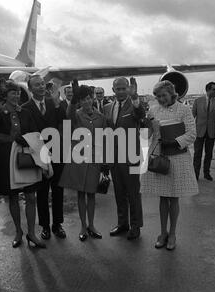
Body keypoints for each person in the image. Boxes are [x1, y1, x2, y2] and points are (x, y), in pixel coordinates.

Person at [141, 80, 198, 250]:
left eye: (163, 95)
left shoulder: (184, 109)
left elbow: (192, 134)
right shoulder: (153, 110)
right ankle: (162, 232)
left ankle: (172, 233)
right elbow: (147, 135)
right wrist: (145, 126)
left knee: (173, 197)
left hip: (178, 157)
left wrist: (174, 142)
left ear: (172, 93)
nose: (160, 99)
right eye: (158, 96)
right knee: (162, 196)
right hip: (160, 157)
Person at [0, 80, 46, 248]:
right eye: (12, 93)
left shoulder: (25, 112)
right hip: (6, 157)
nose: (16, 96)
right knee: (12, 196)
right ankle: (18, 231)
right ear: (5, 95)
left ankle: (31, 232)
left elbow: (35, 133)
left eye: (18, 93)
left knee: (31, 196)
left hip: (25, 156)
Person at [59, 82, 107, 241]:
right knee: (81, 194)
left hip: (94, 160)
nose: (86, 102)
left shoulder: (101, 117)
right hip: (78, 159)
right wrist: (73, 100)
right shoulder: (76, 114)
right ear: (79, 101)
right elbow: (68, 114)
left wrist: (104, 163)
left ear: (92, 98)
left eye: (88, 98)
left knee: (92, 194)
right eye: (82, 99)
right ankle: (82, 226)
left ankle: (92, 224)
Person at [21, 75, 67, 240]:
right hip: (38, 155)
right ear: (30, 88)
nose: (41, 87)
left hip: (56, 153)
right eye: (37, 85)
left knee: (57, 190)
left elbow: (64, 120)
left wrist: (57, 103)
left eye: (42, 84)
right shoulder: (25, 107)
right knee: (41, 192)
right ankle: (45, 226)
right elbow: (26, 132)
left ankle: (57, 224)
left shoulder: (53, 102)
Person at [104, 77, 145, 240]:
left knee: (133, 193)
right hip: (114, 157)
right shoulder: (108, 107)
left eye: (124, 88)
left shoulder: (133, 105)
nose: (121, 91)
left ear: (128, 89)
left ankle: (136, 226)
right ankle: (123, 223)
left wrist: (135, 98)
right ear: (113, 90)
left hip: (130, 156)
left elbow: (141, 115)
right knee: (119, 192)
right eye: (118, 89)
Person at [192, 82, 215, 181]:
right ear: (208, 90)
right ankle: (195, 174)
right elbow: (192, 116)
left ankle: (206, 173)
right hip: (199, 131)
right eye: (214, 89)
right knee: (197, 154)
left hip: (211, 132)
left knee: (209, 154)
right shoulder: (198, 101)